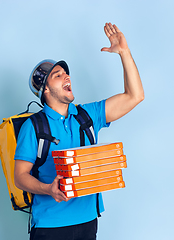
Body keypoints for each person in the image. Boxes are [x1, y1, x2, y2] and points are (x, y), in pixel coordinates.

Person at [14, 22, 144, 240]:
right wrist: (49, 189)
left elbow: (135, 96)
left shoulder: (87, 115)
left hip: (88, 222)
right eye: (58, 75)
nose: (67, 77)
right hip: (50, 226)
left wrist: (124, 53)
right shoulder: (34, 126)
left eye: (66, 73)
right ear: (45, 89)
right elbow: (20, 177)